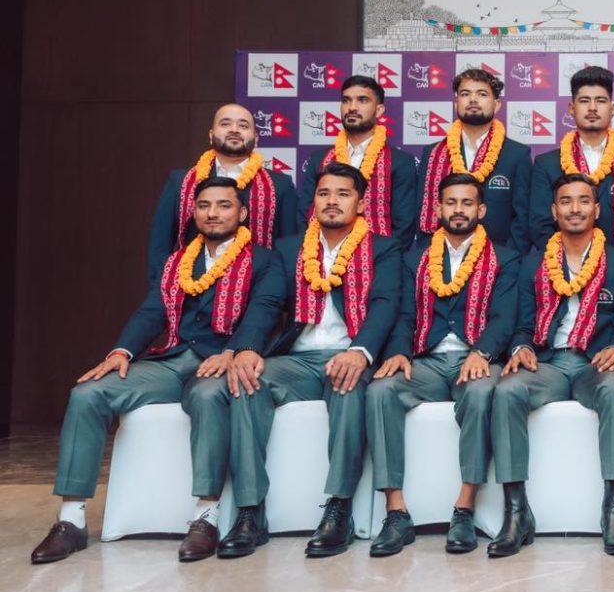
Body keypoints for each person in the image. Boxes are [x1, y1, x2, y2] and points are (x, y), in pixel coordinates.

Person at [31, 178, 284, 564]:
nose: (213, 213)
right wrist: (122, 351)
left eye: (223, 205)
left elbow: (264, 310)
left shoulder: (265, 260)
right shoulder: (178, 261)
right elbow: (153, 311)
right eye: (204, 205)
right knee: (88, 392)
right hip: (173, 359)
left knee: (207, 396)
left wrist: (234, 351)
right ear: (194, 212)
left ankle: (206, 516)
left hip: (222, 362)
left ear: (242, 212)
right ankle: (71, 519)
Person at [227, 163, 401, 559]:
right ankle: (250, 511)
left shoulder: (383, 248)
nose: (332, 201)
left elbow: (385, 304)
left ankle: (338, 507)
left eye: (343, 194)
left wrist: (360, 351)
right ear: (314, 201)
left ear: (361, 203)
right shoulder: (290, 249)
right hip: (298, 358)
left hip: (349, 353)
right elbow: (267, 302)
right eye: (324, 193)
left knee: (347, 383)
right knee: (247, 381)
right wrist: (248, 347)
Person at [364, 173, 520, 556]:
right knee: (381, 390)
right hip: (426, 360)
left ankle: (464, 508)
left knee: (482, 392)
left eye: (467, 203)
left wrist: (482, 352)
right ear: (437, 208)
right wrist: (399, 351)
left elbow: (504, 318)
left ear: (481, 210)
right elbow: (403, 314)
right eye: (451, 202)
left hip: (476, 358)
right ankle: (396, 512)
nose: (458, 210)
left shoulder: (505, 257)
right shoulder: (414, 258)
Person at [487, 173, 614, 558]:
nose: (575, 208)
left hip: (595, 364)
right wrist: (521, 346)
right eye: (566, 201)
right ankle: (516, 514)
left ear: (597, 209)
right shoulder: (533, 263)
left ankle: (613, 512)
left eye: (583, 200)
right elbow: (522, 325)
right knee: (506, 389)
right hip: (548, 363)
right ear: (554, 211)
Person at [147, 103, 301, 284]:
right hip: (191, 287)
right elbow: (160, 245)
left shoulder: (280, 185)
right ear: (211, 135)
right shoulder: (180, 181)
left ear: (256, 138)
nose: (234, 129)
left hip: (258, 287)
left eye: (243, 125)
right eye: (225, 123)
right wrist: (161, 289)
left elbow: (288, 247)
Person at [529, 66, 614, 253]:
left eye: (600, 101)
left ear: (612, 109)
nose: (592, 107)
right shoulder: (546, 164)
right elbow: (540, 225)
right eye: (584, 101)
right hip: (563, 266)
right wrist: (568, 262)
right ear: (572, 108)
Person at [417, 68, 532, 253]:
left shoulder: (517, 154)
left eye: (482, 94)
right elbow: (421, 212)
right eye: (465, 94)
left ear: (497, 104)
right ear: (456, 103)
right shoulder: (432, 154)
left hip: (500, 259)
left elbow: (522, 218)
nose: (472, 99)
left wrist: (508, 259)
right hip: (441, 257)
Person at [299, 76, 419, 249]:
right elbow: (303, 216)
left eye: (362, 100)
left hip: (378, 258)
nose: (352, 107)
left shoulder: (400, 162)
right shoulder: (318, 160)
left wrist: (385, 257)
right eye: (346, 100)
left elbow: (404, 225)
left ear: (379, 110)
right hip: (321, 256)